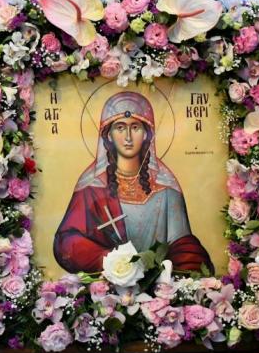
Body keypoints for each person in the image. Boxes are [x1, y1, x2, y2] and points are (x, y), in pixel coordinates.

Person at [53, 91, 212, 273]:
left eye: (135, 127)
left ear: (146, 134)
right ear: (109, 135)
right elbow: (66, 242)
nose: (128, 137)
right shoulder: (91, 188)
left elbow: (183, 246)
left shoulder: (167, 189)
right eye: (120, 128)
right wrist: (111, 261)